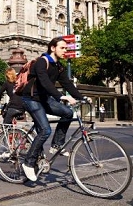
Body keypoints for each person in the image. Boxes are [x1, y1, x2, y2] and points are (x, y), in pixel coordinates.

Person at [19, 37, 86, 182]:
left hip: (44, 99)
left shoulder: (59, 66)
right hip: (31, 99)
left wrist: (82, 98)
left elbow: (67, 84)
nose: (65, 51)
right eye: (62, 48)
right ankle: (28, 162)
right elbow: (44, 81)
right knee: (45, 130)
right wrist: (61, 97)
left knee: (68, 113)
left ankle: (57, 145)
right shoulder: (42, 62)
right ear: (53, 48)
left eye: (66, 49)